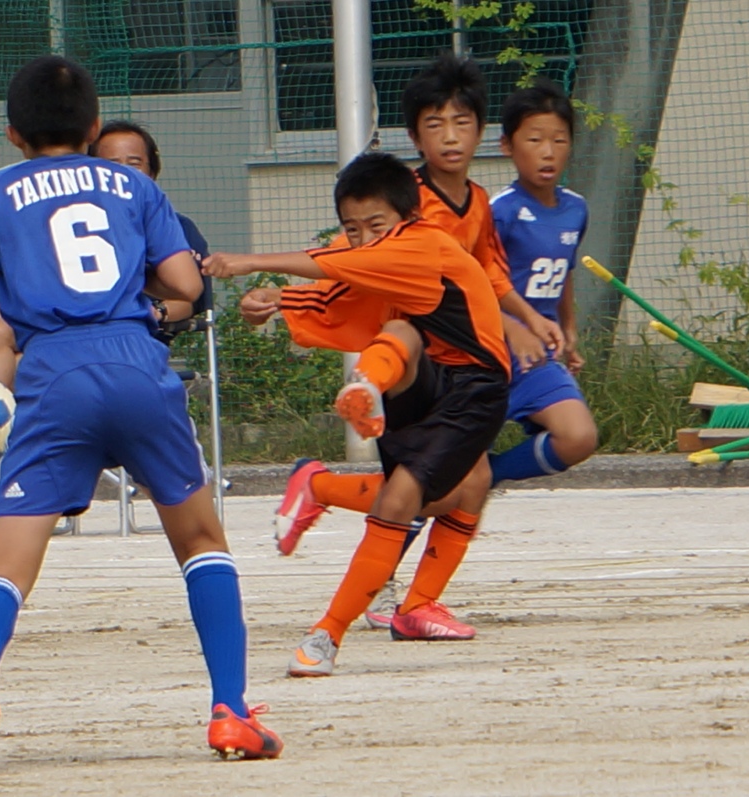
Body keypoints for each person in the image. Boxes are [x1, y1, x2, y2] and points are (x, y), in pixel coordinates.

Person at [0, 56, 281, 775]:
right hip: (137, 365)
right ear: (93, 125)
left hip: (53, 376)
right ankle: (231, 710)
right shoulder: (134, 185)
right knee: (201, 539)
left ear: (12, 132)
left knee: (6, 561)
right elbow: (184, 282)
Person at [251, 53, 565, 633]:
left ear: (481, 131)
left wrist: (523, 318)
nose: (451, 136)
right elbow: (351, 264)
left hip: (464, 369)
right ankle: (367, 593)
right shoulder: (398, 202)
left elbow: (486, 274)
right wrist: (286, 297)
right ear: (416, 136)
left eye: (462, 123)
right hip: (419, 369)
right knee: (424, 491)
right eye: (435, 124)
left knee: (468, 483)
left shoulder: (477, 202)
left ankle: (406, 594)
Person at [203, 150, 510, 677]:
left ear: (408, 217)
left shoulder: (421, 246)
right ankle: (328, 634)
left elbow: (332, 265)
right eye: (352, 228)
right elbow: (333, 294)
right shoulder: (378, 260)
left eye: (375, 225)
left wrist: (250, 262)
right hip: (427, 375)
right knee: (405, 490)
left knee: (466, 485)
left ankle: (327, 491)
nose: (364, 238)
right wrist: (271, 302)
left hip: (473, 386)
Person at [0, 119, 216, 543]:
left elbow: (189, 294)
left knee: (12, 342)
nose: (122, 171)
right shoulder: (65, 209)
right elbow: (64, 291)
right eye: (111, 162)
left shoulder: (160, 214)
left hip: (130, 345)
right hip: (72, 347)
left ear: (153, 168)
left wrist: (148, 310)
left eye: (134, 163)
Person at [487, 78, 597, 484]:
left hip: (538, 357)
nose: (548, 152)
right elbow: (473, 280)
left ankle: (491, 475)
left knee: (579, 437)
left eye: (559, 140)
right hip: (486, 353)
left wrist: (568, 329)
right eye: (534, 140)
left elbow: (563, 270)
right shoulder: (498, 211)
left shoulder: (576, 209)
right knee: (445, 475)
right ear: (507, 145)